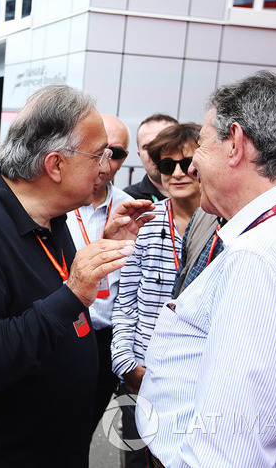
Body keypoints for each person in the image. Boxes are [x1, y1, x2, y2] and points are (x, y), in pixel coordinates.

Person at [0, 84, 154, 467]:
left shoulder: (50, 217)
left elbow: (47, 292)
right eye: (98, 155)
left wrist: (102, 249)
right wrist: (71, 294)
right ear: (54, 165)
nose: (106, 167)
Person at [138, 71, 276, 467]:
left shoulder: (262, 258)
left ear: (234, 143)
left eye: (200, 145)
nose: (192, 167)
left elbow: (229, 451)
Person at [110, 122, 201, 467]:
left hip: (192, 384)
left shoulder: (223, 228)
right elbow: (125, 301)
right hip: (139, 378)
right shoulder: (143, 223)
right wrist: (126, 365)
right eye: (166, 165)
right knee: (134, 461)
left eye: (187, 164)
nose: (177, 173)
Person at [64, 114, 133, 443]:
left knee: (83, 430)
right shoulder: (56, 203)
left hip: (104, 337)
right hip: (59, 331)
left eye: (116, 153)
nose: (105, 163)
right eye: (99, 151)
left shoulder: (131, 210)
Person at [123, 113, 178, 202]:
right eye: (147, 147)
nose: (154, 153)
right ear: (139, 154)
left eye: (163, 144)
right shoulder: (128, 200)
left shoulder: (202, 196)